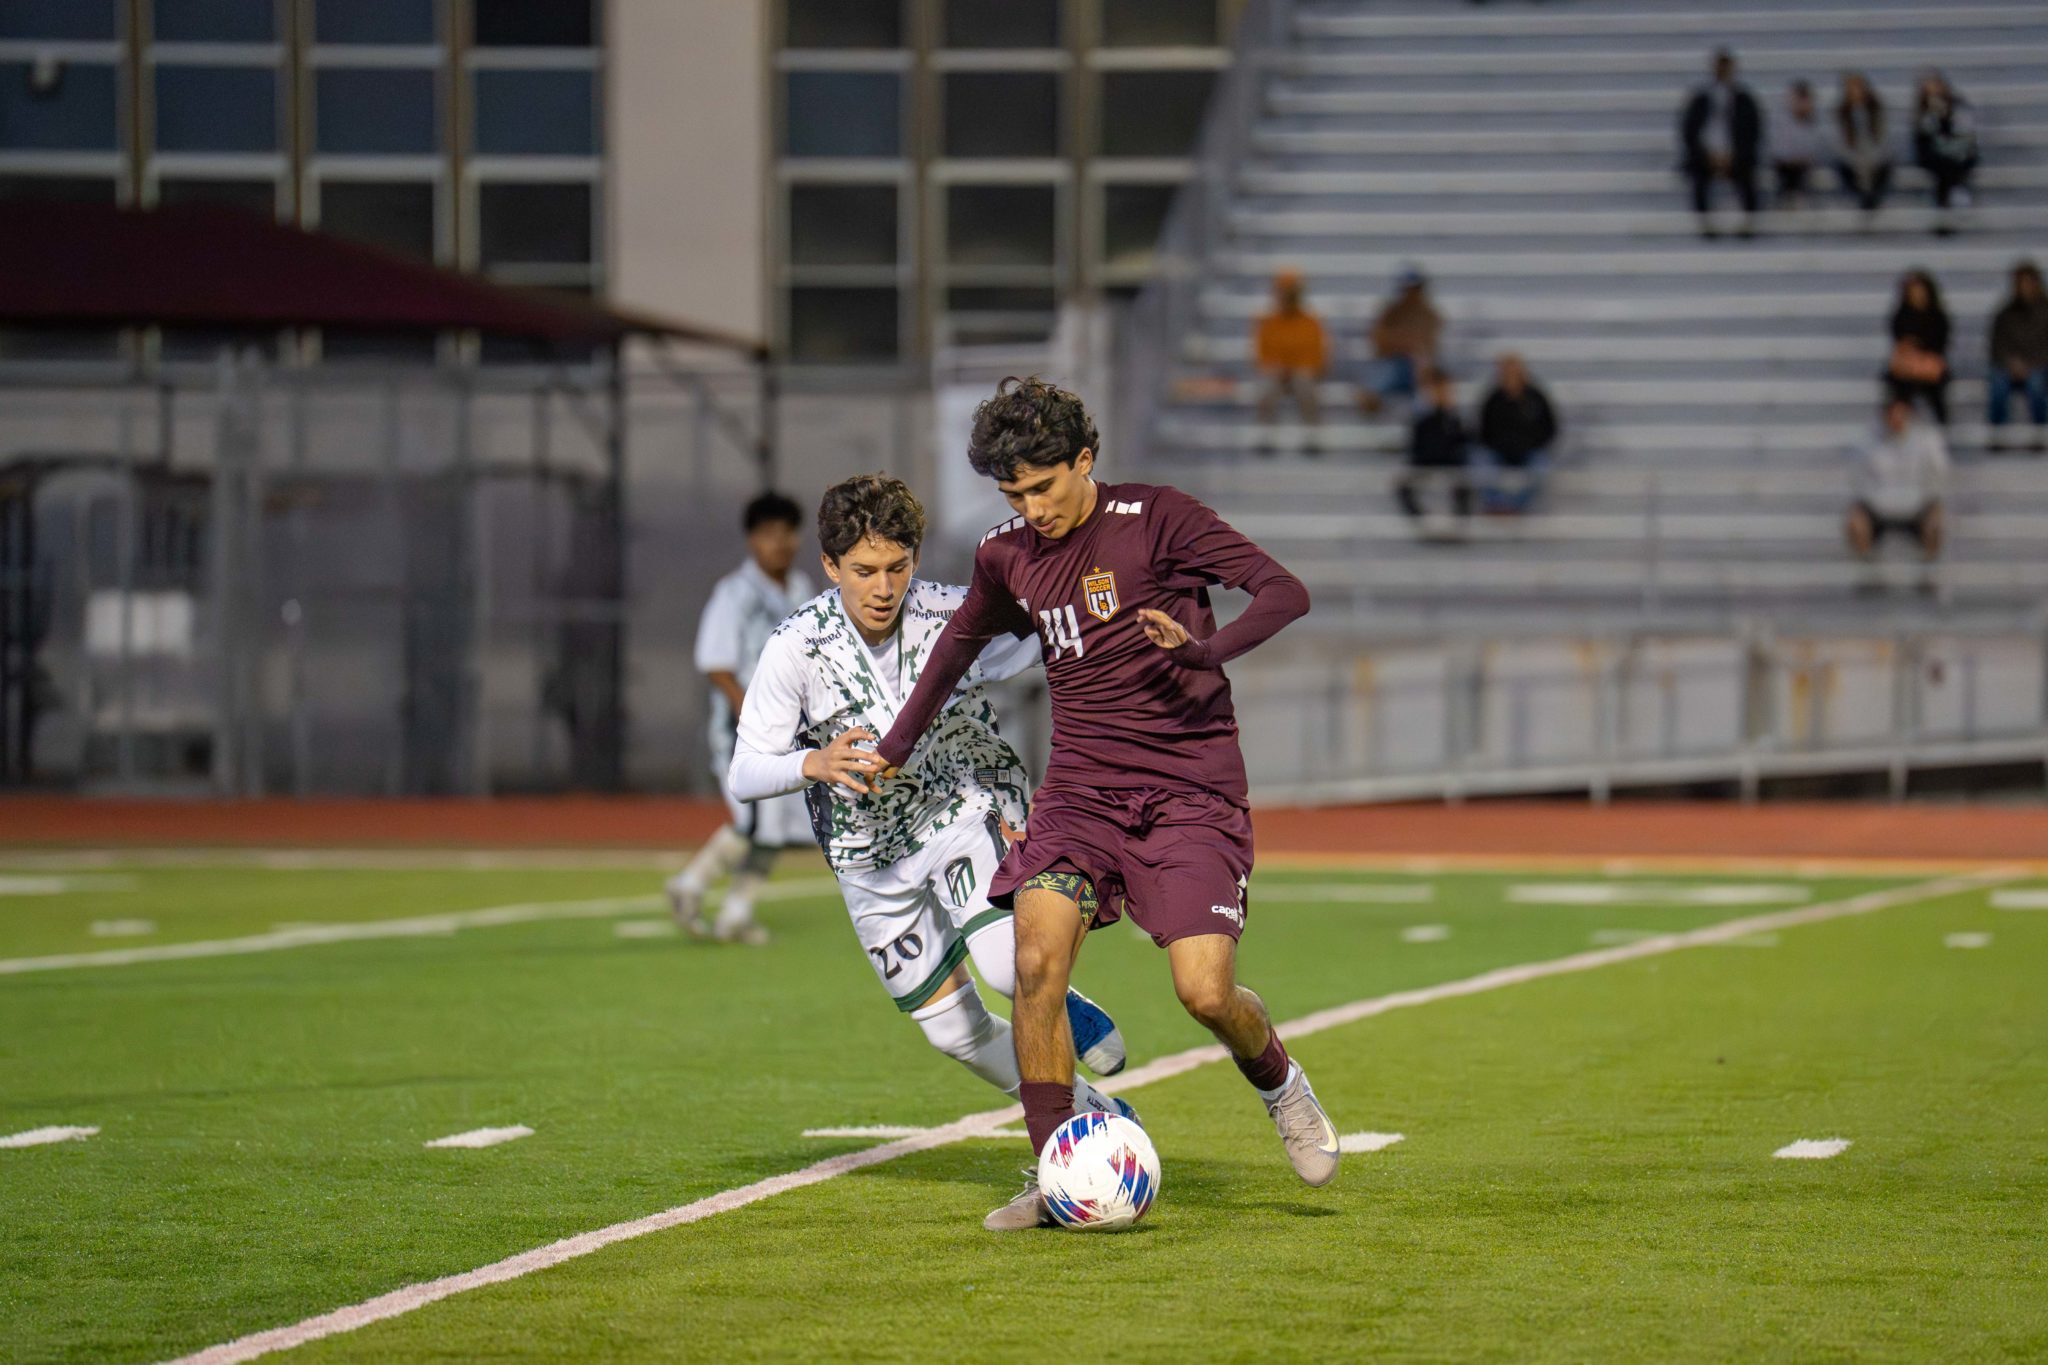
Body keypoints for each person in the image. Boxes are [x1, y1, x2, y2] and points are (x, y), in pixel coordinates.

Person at [872, 377, 1336, 1231]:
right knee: (1035, 964)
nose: (1032, 508)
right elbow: (956, 647)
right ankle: (1056, 1172)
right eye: (1013, 493)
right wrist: (893, 747)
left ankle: (1280, 1083)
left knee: (1205, 992)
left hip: (1190, 791)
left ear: (1085, 459)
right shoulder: (1005, 554)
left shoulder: (1158, 519)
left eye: (1043, 486)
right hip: (1080, 794)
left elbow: (1284, 591)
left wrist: (1205, 651)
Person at [725, 473, 1132, 1109]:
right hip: (866, 854)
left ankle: (1065, 1065)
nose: (883, 588)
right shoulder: (795, 646)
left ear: (915, 559)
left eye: (897, 567)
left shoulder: (953, 613)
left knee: (1006, 966)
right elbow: (744, 772)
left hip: (960, 807)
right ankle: (1097, 1110)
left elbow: (1052, 632)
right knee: (951, 1033)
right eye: (863, 571)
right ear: (830, 566)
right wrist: (815, 762)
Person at [666, 492, 815, 945]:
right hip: (745, 728)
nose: (780, 543)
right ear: (752, 540)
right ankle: (690, 884)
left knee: (776, 830)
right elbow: (716, 662)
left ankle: (735, 912)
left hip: (791, 728)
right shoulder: (735, 593)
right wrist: (744, 712)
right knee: (754, 824)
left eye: (787, 533)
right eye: (769, 534)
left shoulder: (800, 589)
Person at [1846, 394, 1947, 563]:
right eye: (1892, 415)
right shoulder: (1868, 441)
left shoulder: (1928, 440)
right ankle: (1867, 569)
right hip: (1877, 509)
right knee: (1856, 520)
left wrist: (1925, 499)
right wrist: (1876, 500)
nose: (1896, 420)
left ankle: (1929, 571)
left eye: (1901, 414)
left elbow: (1939, 474)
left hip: (1918, 507)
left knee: (1936, 520)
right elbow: (1857, 478)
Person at [1678, 48, 1762, 238]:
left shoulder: (1744, 100)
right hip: (1706, 156)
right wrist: (1708, 155)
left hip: (1736, 155)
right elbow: (1689, 131)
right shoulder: (1701, 100)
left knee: (1748, 175)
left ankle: (1748, 224)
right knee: (1698, 176)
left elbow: (1753, 132)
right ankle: (1705, 223)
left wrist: (1734, 155)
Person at [1252, 270, 1328, 452]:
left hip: (1303, 372)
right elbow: (1262, 355)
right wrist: (1278, 367)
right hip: (1277, 372)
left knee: (1305, 383)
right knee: (1268, 386)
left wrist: (1297, 367)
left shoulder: (1311, 322)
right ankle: (1266, 435)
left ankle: (1312, 436)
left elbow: (1317, 356)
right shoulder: (1268, 322)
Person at [1473, 353, 1559, 514]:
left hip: (1529, 452)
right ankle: (1496, 504)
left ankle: (1516, 507)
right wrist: (1499, 445)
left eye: (1514, 371)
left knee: (1542, 465)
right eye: (1506, 371)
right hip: (1498, 452)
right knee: (1480, 461)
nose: (1510, 375)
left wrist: (1532, 444)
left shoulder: (1536, 397)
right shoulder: (1493, 399)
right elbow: (1482, 430)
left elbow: (1550, 427)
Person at [1358, 265, 1442, 414]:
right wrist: (1407, 342)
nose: (1410, 294)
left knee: (1422, 370)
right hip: (1393, 363)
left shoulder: (1429, 314)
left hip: (1417, 366)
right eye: (1407, 289)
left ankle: (1422, 415)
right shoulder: (1391, 312)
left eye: (1414, 289)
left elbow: (1427, 346)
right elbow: (1378, 340)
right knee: (1375, 382)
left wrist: (1398, 340)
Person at [1396, 369, 1475, 524]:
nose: (1441, 394)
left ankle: (1460, 522)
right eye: (1437, 390)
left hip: (1451, 464)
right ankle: (1421, 520)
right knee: (1404, 485)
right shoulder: (1422, 420)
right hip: (1426, 463)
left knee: (1467, 479)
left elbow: (1463, 443)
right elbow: (1417, 448)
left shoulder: (1455, 420)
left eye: (1444, 390)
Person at [1987, 259, 2048, 451]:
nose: (2024, 288)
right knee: (1997, 385)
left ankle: (2040, 435)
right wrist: (2011, 363)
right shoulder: (2005, 314)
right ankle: (1997, 437)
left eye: (2028, 283)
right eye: (2020, 283)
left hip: (2039, 366)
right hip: (2009, 367)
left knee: (2037, 385)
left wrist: (2029, 365)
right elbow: (1996, 346)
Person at [1886, 268, 1951, 425]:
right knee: (1901, 385)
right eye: (1913, 291)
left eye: (1920, 291)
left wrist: (1921, 360)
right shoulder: (1901, 317)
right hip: (1908, 366)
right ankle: (1897, 425)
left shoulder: (1938, 318)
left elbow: (1939, 347)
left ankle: (1942, 425)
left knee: (1933, 388)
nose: (1917, 295)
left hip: (1930, 366)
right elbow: (1901, 345)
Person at [1913, 70, 1979, 224]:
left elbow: (1966, 137)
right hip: (1936, 157)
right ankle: (1949, 203)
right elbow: (1923, 141)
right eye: (1928, 90)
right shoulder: (1923, 113)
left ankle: (1951, 201)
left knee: (1951, 165)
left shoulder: (1959, 107)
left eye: (1935, 88)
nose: (1933, 93)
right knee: (1942, 166)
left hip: (1959, 154)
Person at [1834, 71, 1892, 217]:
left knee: (1885, 165)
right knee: (1843, 167)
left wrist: (1871, 160)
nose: (1855, 92)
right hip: (1852, 160)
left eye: (1858, 87)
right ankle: (1865, 199)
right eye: (1851, 88)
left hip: (1875, 158)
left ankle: (1870, 199)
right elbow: (1839, 145)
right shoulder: (1841, 113)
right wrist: (1857, 162)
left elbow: (1884, 140)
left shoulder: (1877, 110)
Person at [1770, 80, 1829, 209]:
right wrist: (1792, 158)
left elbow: (1818, 146)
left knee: (1804, 173)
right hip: (1785, 164)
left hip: (1806, 164)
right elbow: (1778, 148)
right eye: (1799, 100)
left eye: (1805, 100)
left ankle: (1801, 206)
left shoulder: (1815, 121)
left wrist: (1804, 157)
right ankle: (1787, 205)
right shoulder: (1781, 120)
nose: (1802, 104)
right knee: (1787, 172)